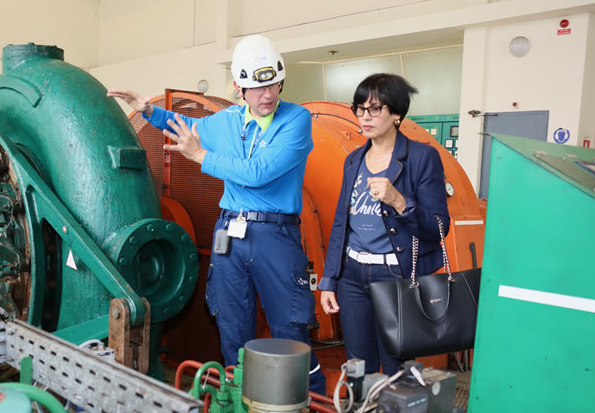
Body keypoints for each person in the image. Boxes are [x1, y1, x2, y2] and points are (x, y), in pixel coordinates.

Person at [108, 34, 325, 394]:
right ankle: (239, 404)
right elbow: (181, 124)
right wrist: (148, 111)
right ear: (240, 87)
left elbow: (259, 173)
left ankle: (309, 410)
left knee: (290, 326)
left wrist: (201, 158)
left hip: (275, 235)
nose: (268, 94)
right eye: (257, 88)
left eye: (273, 84)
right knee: (231, 322)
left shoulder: (296, 120)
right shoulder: (225, 122)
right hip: (230, 235)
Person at [318, 73, 450, 375]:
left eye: (375, 109)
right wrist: (329, 280)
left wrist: (399, 201)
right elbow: (342, 224)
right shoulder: (353, 160)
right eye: (360, 108)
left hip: (394, 274)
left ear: (396, 114)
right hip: (351, 275)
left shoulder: (421, 157)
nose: (365, 117)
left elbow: (440, 227)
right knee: (357, 366)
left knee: (395, 364)